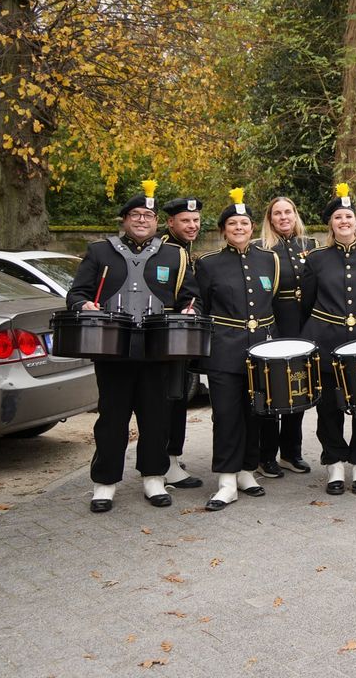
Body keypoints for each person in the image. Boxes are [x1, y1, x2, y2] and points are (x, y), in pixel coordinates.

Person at [66, 180, 198, 512]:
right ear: (124, 219)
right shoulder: (100, 251)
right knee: (112, 418)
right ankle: (104, 482)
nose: (142, 220)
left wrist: (191, 310)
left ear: (157, 222)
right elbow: (77, 293)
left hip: (158, 350)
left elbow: (191, 298)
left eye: (148, 216)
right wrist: (83, 306)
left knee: (156, 418)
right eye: (135, 214)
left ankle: (154, 479)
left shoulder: (175, 255)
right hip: (114, 350)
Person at [302, 183, 356, 496]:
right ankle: (335, 465)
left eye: (349, 216)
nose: (344, 222)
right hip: (326, 342)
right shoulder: (315, 259)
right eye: (338, 217)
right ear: (331, 224)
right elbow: (306, 304)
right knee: (329, 409)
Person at [193, 189, 280, 511]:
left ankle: (247, 470)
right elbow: (200, 306)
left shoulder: (268, 259)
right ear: (223, 230)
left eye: (244, 223)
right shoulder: (208, 264)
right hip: (224, 350)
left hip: (262, 350)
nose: (239, 228)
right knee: (227, 416)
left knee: (254, 412)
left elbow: (276, 305)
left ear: (252, 226)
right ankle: (226, 480)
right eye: (232, 223)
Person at [254, 197, 318, 477]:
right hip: (275, 323)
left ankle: (291, 452)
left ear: (295, 214)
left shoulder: (311, 246)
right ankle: (265, 455)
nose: (283, 217)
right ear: (269, 218)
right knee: (271, 391)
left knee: (297, 389)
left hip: (304, 324)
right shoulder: (260, 248)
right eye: (277, 213)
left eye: (288, 212)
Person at [159, 195, 205, 490]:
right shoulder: (166, 251)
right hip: (167, 336)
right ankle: (168, 461)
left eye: (196, 221)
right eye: (186, 221)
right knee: (170, 400)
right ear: (170, 222)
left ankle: (168, 457)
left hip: (180, 336)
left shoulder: (183, 249)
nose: (192, 226)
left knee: (176, 398)